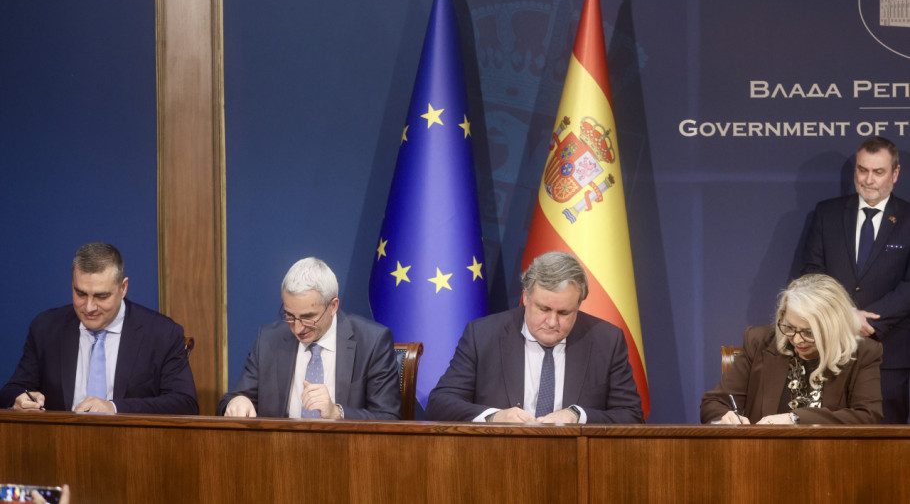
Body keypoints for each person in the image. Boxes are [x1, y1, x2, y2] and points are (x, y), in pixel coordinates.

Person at [425, 251, 643, 424]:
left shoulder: (606, 340)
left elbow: (631, 415)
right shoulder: (483, 335)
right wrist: (495, 417)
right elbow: (440, 404)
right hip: (498, 456)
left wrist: (578, 416)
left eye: (564, 313)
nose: (552, 322)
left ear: (578, 306)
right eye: (544, 309)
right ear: (526, 298)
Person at [0, 243, 198, 415]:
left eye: (101, 296)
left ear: (123, 288)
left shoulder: (162, 333)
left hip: (133, 443)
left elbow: (185, 403)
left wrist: (114, 408)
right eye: (80, 294)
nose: (89, 308)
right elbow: (12, 390)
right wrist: (19, 399)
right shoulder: (46, 328)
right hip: (60, 443)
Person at [801, 136, 910, 423]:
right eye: (863, 170)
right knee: (829, 435)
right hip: (832, 348)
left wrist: (868, 321)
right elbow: (812, 274)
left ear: (895, 173)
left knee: (886, 440)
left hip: (890, 353)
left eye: (878, 172)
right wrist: (845, 315)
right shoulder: (827, 213)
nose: (868, 180)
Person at [218, 257, 400, 419]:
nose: (298, 328)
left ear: (333, 306)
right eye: (290, 315)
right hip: (280, 445)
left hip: (345, 446)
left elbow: (388, 418)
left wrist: (337, 413)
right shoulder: (269, 340)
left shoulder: (372, 342)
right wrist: (238, 401)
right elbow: (230, 400)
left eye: (308, 317)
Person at [701, 274, 882, 425]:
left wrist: (794, 418)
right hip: (763, 453)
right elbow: (714, 403)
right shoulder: (759, 342)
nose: (796, 339)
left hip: (830, 455)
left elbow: (868, 416)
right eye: (790, 327)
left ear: (833, 327)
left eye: (809, 332)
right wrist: (724, 418)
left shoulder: (862, 353)